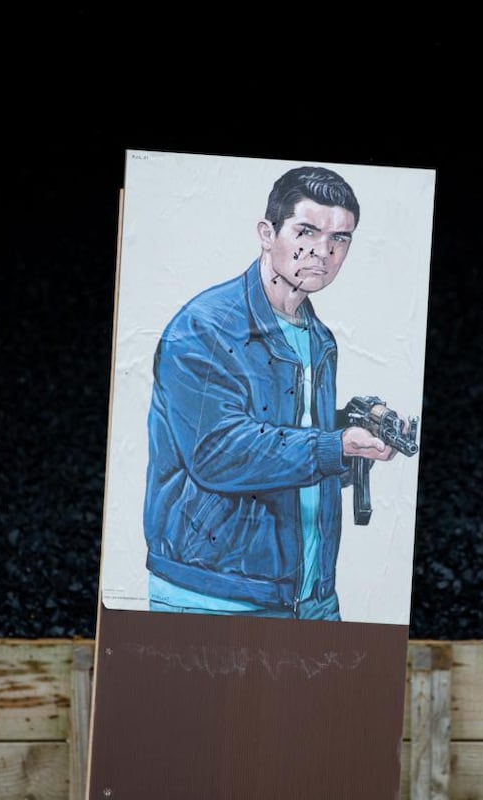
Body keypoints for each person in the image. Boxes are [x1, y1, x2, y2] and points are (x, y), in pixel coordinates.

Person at [143, 165, 402, 621]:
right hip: (213, 596)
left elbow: (291, 440)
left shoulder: (318, 338)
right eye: (307, 230)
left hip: (311, 598)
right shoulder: (204, 328)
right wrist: (334, 445)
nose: (322, 251)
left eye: (340, 238)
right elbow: (217, 453)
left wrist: (355, 440)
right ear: (267, 233)